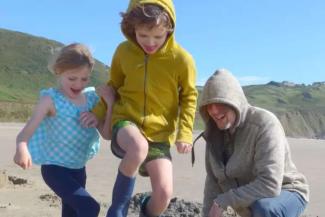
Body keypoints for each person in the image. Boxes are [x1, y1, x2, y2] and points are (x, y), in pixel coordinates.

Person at [91, 1, 198, 216]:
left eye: (158, 37)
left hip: (159, 134)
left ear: (170, 29)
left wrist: (184, 133)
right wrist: (97, 114)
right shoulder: (123, 52)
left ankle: (144, 211)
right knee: (138, 147)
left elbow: (189, 97)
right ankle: (118, 210)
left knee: (164, 195)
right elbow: (114, 86)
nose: (150, 43)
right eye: (143, 36)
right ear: (132, 29)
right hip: (126, 121)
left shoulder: (181, 59)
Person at [13, 43, 115, 217]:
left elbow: (107, 135)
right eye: (72, 78)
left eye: (84, 79)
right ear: (59, 72)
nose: (78, 84)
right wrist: (21, 148)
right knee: (89, 208)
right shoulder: (50, 100)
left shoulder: (91, 100)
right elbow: (24, 134)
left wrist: (109, 105)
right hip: (55, 169)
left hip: (79, 168)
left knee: (71, 212)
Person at [195, 69, 309, 217]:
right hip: (249, 201)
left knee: (264, 208)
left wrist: (224, 201)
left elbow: (270, 184)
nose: (214, 110)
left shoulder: (264, 124)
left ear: (234, 100)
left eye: (220, 102)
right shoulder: (213, 134)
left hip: (286, 190)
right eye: (208, 105)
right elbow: (212, 183)